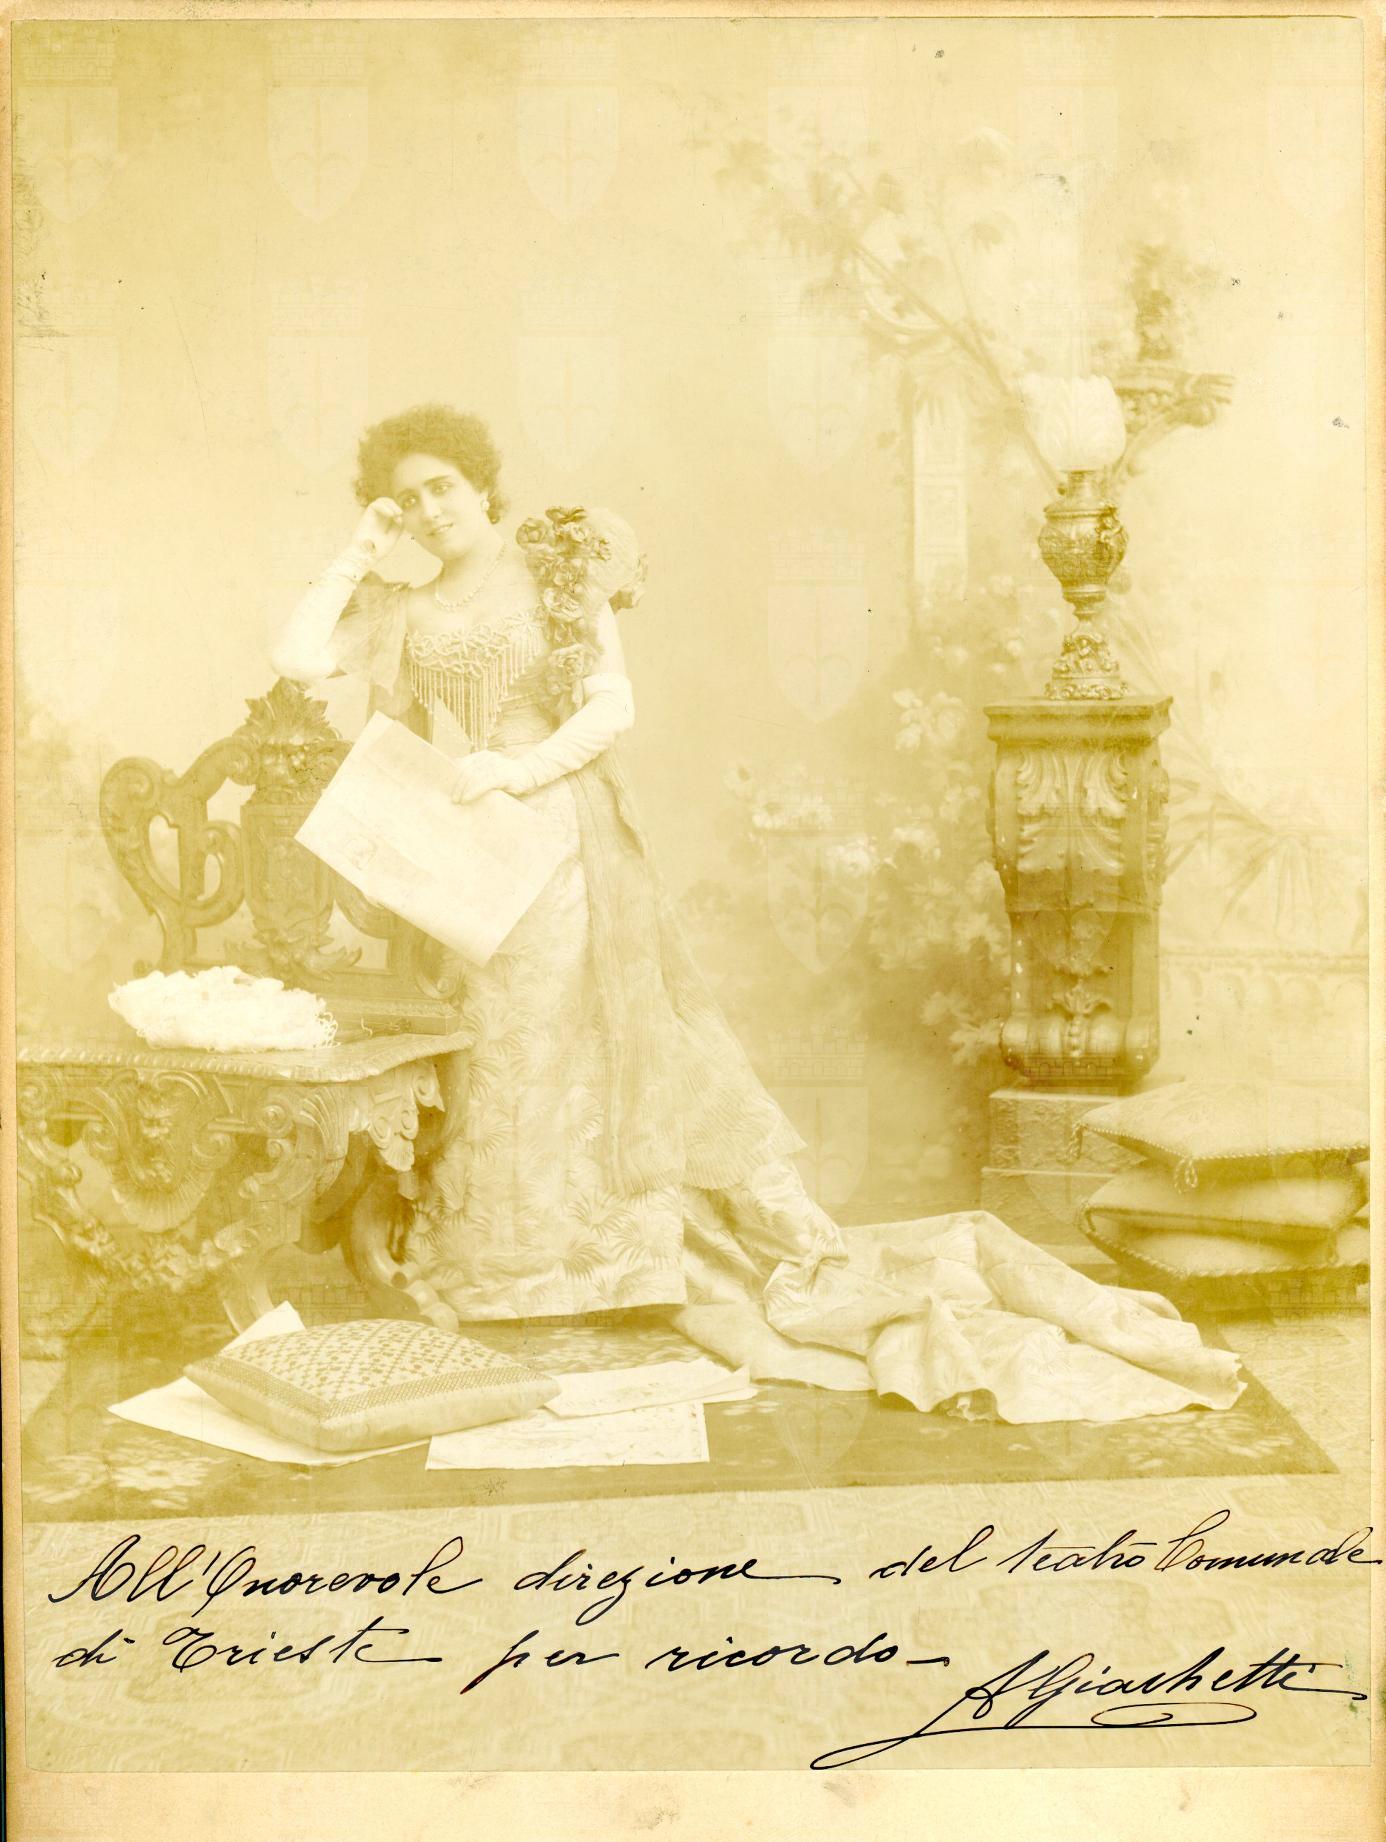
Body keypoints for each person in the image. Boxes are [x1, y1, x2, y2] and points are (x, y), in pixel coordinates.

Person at [272, 403, 1243, 1425]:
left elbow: (612, 705)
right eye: (409, 497)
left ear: (481, 483)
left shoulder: (556, 567)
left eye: (444, 487)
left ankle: (601, 1265)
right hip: (463, 855)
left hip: (555, 832)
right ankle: (499, 1272)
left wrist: (518, 769)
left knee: (569, 1046)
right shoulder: (405, 607)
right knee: (491, 1053)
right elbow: (297, 657)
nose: (432, 510)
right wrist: (360, 549)